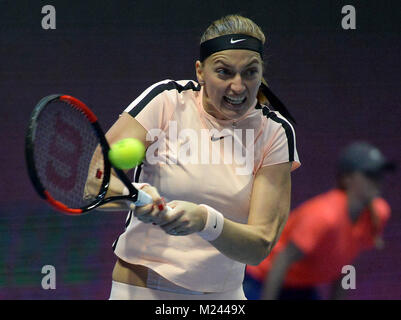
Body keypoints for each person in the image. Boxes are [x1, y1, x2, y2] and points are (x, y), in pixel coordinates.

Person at [92, 14, 300, 300]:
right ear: (200, 72)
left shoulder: (275, 131)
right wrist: (133, 196)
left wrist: (206, 221)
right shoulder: (166, 100)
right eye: (224, 72)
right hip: (142, 289)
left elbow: (259, 246)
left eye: (250, 72)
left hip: (224, 297)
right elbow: (95, 183)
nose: (238, 86)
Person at [245, 142, 395, 300]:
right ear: (347, 179)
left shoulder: (379, 213)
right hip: (261, 278)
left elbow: (348, 263)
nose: (377, 181)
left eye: (379, 174)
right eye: (370, 175)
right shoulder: (324, 216)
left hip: (301, 284)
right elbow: (282, 261)